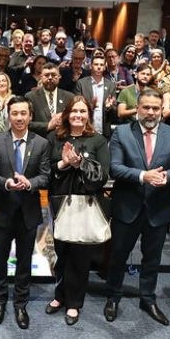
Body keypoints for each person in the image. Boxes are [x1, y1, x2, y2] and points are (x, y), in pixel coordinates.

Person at [104, 90, 170, 326]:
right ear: (137, 109)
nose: (151, 112)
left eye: (155, 108)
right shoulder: (121, 132)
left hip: (158, 207)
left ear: (162, 109)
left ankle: (148, 298)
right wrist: (143, 176)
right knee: (118, 255)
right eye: (146, 107)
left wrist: (167, 177)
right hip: (126, 206)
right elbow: (115, 168)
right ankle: (113, 296)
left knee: (152, 258)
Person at [0, 95, 50, 329]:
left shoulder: (41, 143)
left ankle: (20, 303)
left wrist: (30, 183)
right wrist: (6, 183)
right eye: (15, 113)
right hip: (3, 210)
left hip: (29, 212)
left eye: (24, 113)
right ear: (8, 115)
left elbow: (46, 175)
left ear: (30, 116)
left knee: (24, 260)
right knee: (0, 259)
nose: (19, 117)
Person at [44, 95, 111, 326]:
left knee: (79, 256)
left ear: (88, 115)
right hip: (59, 203)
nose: (78, 115)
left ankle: (74, 303)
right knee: (61, 251)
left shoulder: (98, 141)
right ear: (67, 114)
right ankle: (59, 295)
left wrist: (79, 163)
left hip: (86, 204)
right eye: (74, 111)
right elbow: (46, 170)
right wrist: (63, 163)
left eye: (83, 111)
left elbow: (102, 176)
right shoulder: (54, 137)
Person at [25, 63, 75, 137]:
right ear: (40, 77)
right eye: (46, 75)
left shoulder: (69, 97)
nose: (50, 78)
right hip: (39, 140)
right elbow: (26, 123)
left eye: (54, 75)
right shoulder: (30, 97)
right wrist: (48, 125)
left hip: (63, 140)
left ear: (59, 76)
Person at [74, 55, 117, 138]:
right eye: (96, 64)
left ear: (105, 67)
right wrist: (90, 107)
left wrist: (109, 107)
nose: (99, 67)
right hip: (85, 129)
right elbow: (76, 107)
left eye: (101, 65)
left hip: (104, 131)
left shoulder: (111, 85)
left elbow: (115, 111)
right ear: (91, 66)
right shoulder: (81, 84)